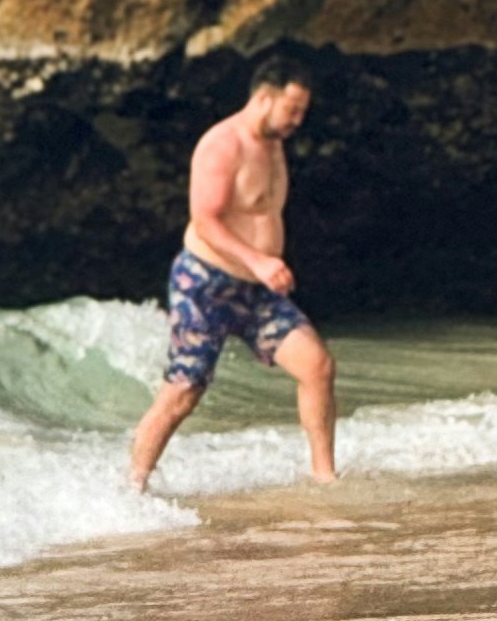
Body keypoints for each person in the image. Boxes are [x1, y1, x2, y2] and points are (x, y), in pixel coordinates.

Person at [127, 55, 339, 489]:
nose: (298, 120)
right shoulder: (223, 144)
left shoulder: (275, 144)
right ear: (264, 98)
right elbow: (205, 220)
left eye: (302, 111)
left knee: (317, 365)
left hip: (256, 290)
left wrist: (262, 265)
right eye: (292, 109)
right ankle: (132, 485)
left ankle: (324, 477)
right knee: (185, 390)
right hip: (205, 284)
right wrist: (260, 260)